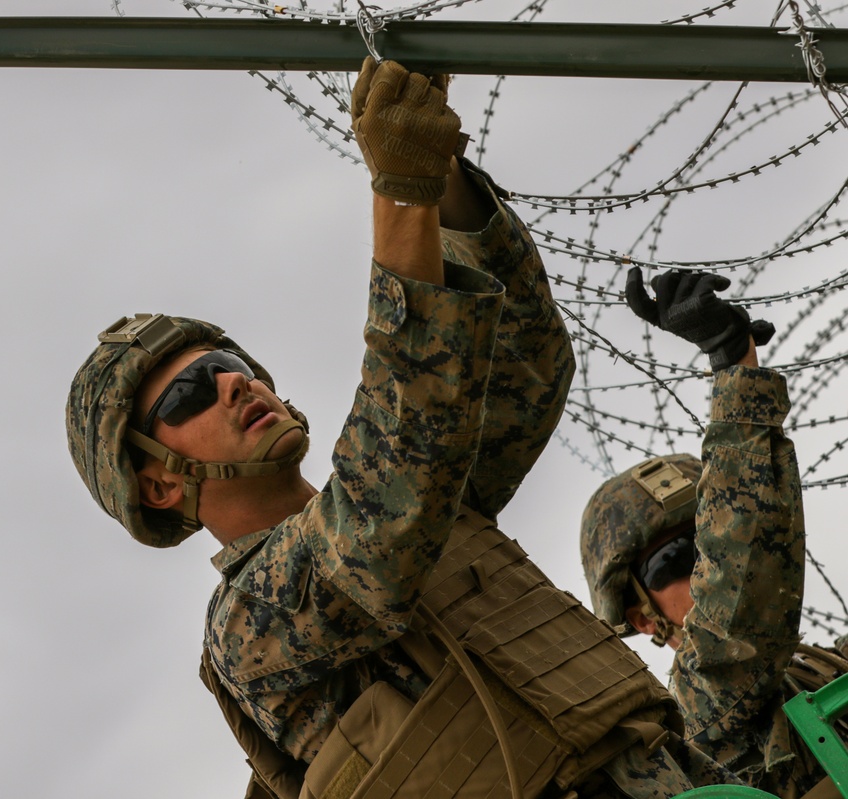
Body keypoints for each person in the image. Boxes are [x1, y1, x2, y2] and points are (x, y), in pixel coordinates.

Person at [66, 58, 740, 799]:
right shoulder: (249, 626)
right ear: (160, 481)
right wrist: (400, 194)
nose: (234, 381)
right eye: (190, 391)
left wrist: (439, 175)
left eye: (229, 361)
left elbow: (524, 365)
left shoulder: (435, 503)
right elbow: (386, 493)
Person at [580, 268, 848, 798]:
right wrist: (734, 365)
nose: (706, 560)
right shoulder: (702, 707)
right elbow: (739, 588)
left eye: (707, 539)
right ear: (642, 616)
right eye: (677, 556)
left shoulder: (819, 665)